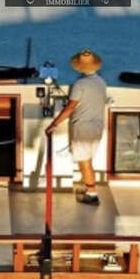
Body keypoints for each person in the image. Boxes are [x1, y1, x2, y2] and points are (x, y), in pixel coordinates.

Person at [45, 49, 107, 206]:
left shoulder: (80, 84)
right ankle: (89, 189)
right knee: (88, 159)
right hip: (97, 125)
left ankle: (92, 195)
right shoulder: (101, 82)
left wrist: (54, 124)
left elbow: (70, 108)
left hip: (83, 127)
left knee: (84, 161)